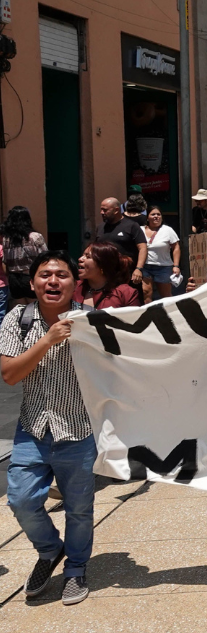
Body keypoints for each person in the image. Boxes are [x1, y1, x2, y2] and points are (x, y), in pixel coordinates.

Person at [3, 251, 96, 605]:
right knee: (22, 500)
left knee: (78, 508)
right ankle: (49, 550)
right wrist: (47, 340)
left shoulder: (92, 322)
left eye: (61, 275)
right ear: (32, 283)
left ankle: (75, 569)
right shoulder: (18, 319)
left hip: (79, 430)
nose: (52, 281)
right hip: (33, 429)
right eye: (44, 275)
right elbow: (10, 375)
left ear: (75, 284)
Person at [97, 198, 148, 292]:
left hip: (127, 275)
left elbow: (143, 248)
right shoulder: (100, 227)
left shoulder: (132, 226)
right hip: (106, 276)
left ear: (116, 210)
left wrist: (139, 269)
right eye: (101, 209)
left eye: (105, 210)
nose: (101, 212)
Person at [2, 206, 48, 307]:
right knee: (35, 309)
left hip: (14, 278)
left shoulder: (7, 239)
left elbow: (5, 261)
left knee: (20, 311)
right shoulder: (35, 237)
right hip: (30, 276)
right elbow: (45, 257)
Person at [74, 241, 140, 309]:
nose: (80, 259)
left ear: (102, 265)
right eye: (83, 255)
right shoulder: (73, 288)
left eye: (88, 257)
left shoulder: (126, 294)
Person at [141, 206, 181, 301]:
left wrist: (176, 265)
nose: (156, 216)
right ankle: (149, 314)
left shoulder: (167, 230)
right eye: (153, 214)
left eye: (158, 214)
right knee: (146, 292)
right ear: (147, 217)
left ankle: (170, 314)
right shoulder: (140, 230)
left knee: (165, 296)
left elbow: (176, 248)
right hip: (145, 266)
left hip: (163, 267)